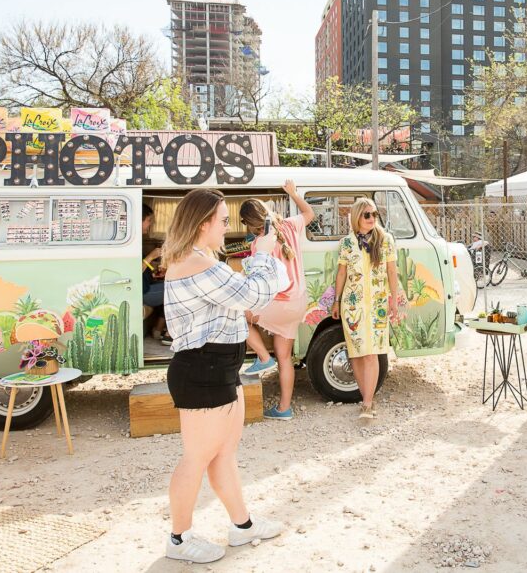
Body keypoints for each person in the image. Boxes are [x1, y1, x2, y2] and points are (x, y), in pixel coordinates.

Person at [161, 189, 286, 563]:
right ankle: (179, 539)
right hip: (202, 369)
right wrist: (262, 255)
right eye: (224, 220)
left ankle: (242, 526)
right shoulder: (197, 264)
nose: (228, 227)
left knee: (223, 455)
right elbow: (254, 294)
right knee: (196, 458)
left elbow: (241, 302)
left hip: (218, 367)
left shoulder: (201, 259)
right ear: (204, 225)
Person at [238, 180, 315, 421]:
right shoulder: (290, 226)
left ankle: (262, 357)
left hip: (279, 303)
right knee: (285, 358)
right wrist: (293, 193)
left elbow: (255, 280)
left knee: (237, 314)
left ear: (249, 223)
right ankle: (284, 408)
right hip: (298, 303)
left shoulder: (259, 243)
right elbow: (309, 213)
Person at [331, 197, 404, 420]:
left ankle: (368, 403)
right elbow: (342, 273)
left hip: (377, 306)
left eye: (375, 214)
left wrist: (394, 300)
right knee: (356, 354)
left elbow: (392, 272)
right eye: (367, 215)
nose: (372, 218)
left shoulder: (385, 240)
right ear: (357, 217)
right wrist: (336, 300)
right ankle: (366, 398)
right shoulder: (346, 243)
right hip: (352, 307)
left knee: (371, 353)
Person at [141, 205, 167, 342]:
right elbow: (133, 272)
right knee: (175, 288)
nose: (150, 224)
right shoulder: (132, 242)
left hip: (146, 286)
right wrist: (151, 256)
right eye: (149, 220)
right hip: (142, 292)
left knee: (171, 285)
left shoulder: (136, 240)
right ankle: (164, 332)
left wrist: (155, 273)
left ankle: (158, 329)